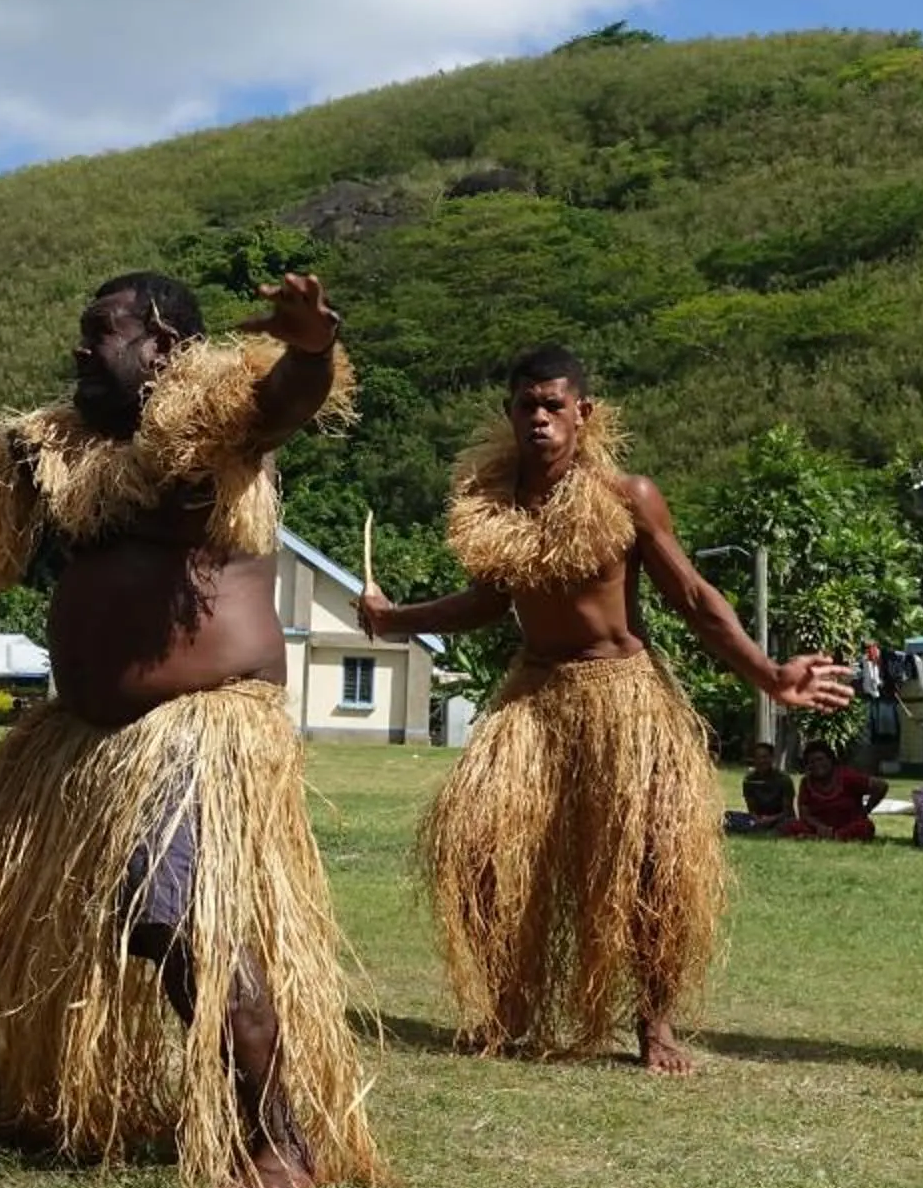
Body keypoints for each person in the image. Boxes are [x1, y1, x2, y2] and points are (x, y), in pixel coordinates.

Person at [0, 270, 381, 1188]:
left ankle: (278, 1137)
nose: (80, 348)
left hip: (202, 726)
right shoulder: (54, 444)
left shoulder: (215, 416)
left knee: (178, 918)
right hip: (82, 739)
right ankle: (25, 1088)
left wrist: (309, 349)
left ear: (165, 346)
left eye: (103, 332)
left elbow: (283, 403)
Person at [357, 345, 849, 1074]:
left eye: (555, 405)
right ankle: (509, 1007)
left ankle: (655, 1026)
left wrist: (768, 674)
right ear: (510, 413)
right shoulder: (494, 506)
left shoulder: (627, 496)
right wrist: (395, 620)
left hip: (625, 694)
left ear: (584, 413)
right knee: (477, 843)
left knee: (651, 860)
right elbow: (492, 602)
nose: (541, 419)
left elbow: (693, 597)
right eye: (528, 405)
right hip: (535, 693)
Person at [783, 743, 878, 841]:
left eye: (820, 759)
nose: (816, 764)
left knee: (866, 826)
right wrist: (819, 826)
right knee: (790, 825)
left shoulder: (847, 776)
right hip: (817, 828)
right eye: (811, 761)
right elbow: (804, 814)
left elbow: (881, 785)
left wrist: (866, 810)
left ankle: (830, 837)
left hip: (847, 825)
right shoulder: (806, 782)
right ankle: (822, 837)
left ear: (830, 760)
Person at [730, 740, 794, 835]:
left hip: (780, 819)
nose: (761, 761)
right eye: (757, 758)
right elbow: (751, 809)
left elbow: (787, 811)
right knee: (728, 817)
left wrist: (770, 819)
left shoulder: (784, 780)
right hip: (759, 819)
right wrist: (757, 819)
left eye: (765, 757)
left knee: (788, 824)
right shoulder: (749, 780)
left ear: (772, 758)